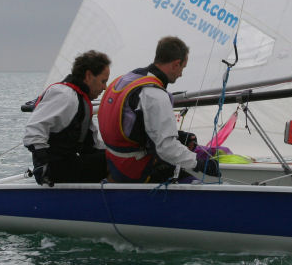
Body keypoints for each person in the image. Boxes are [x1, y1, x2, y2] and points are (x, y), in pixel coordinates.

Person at [99, 36, 216, 183]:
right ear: (176, 64)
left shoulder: (126, 79)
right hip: (135, 169)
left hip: (114, 163)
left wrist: (178, 136)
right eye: (182, 68)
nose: (181, 74)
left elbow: (136, 123)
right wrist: (199, 163)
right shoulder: (155, 95)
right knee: (195, 184)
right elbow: (166, 148)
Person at [23, 50, 112, 185]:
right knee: (112, 162)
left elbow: (94, 144)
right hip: (54, 171)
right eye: (103, 81)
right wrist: (42, 166)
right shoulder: (65, 95)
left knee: (116, 159)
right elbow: (34, 129)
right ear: (88, 76)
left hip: (69, 163)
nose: (105, 88)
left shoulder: (80, 99)